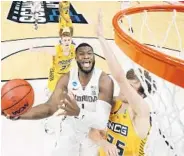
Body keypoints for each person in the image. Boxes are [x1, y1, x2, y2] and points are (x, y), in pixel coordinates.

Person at [3, 43, 114, 156]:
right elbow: (49, 108)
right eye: (82, 54)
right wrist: (19, 114)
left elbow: (101, 121)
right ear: (75, 57)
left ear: (94, 57)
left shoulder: (104, 80)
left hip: (93, 137)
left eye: (90, 53)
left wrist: (79, 113)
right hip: (70, 132)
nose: (86, 56)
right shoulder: (67, 79)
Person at [88, 11, 151, 156]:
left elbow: (120, 77)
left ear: (140, 94)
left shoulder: (141, 111)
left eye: (130, 87)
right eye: (126, 85)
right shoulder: (112, 103)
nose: (124, 89)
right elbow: (92, 132)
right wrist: (103, 142)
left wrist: (101, 38)